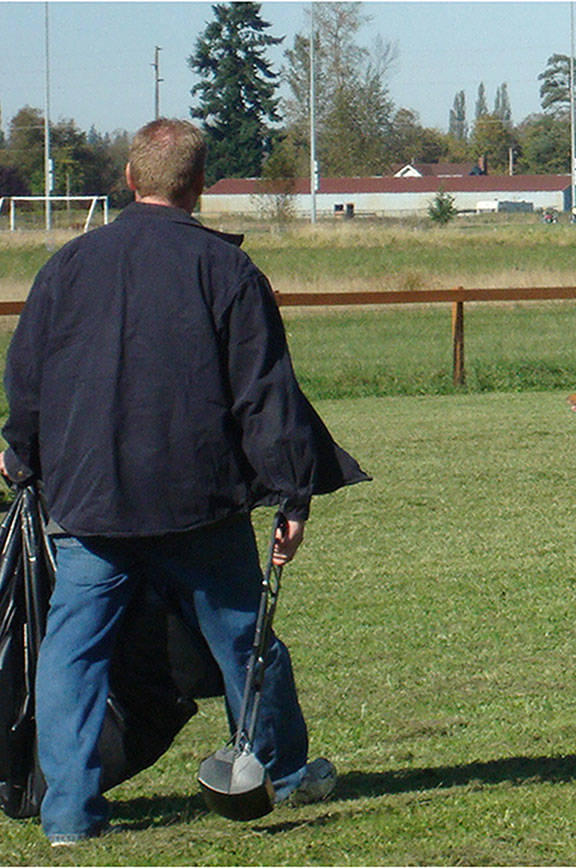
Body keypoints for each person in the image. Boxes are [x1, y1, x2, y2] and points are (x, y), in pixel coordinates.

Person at [1, 118, 368, 845]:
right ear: (200, 188)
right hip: (196, 504)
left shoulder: (65, 267)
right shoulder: (227, 272)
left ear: (130, 181)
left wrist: (21, 454)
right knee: (243, 641)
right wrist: (293, 495)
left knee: (73, 654)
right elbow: (264, 396)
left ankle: (69, 814)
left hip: (86, 504)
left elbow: (29, 382)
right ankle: (279, 772)